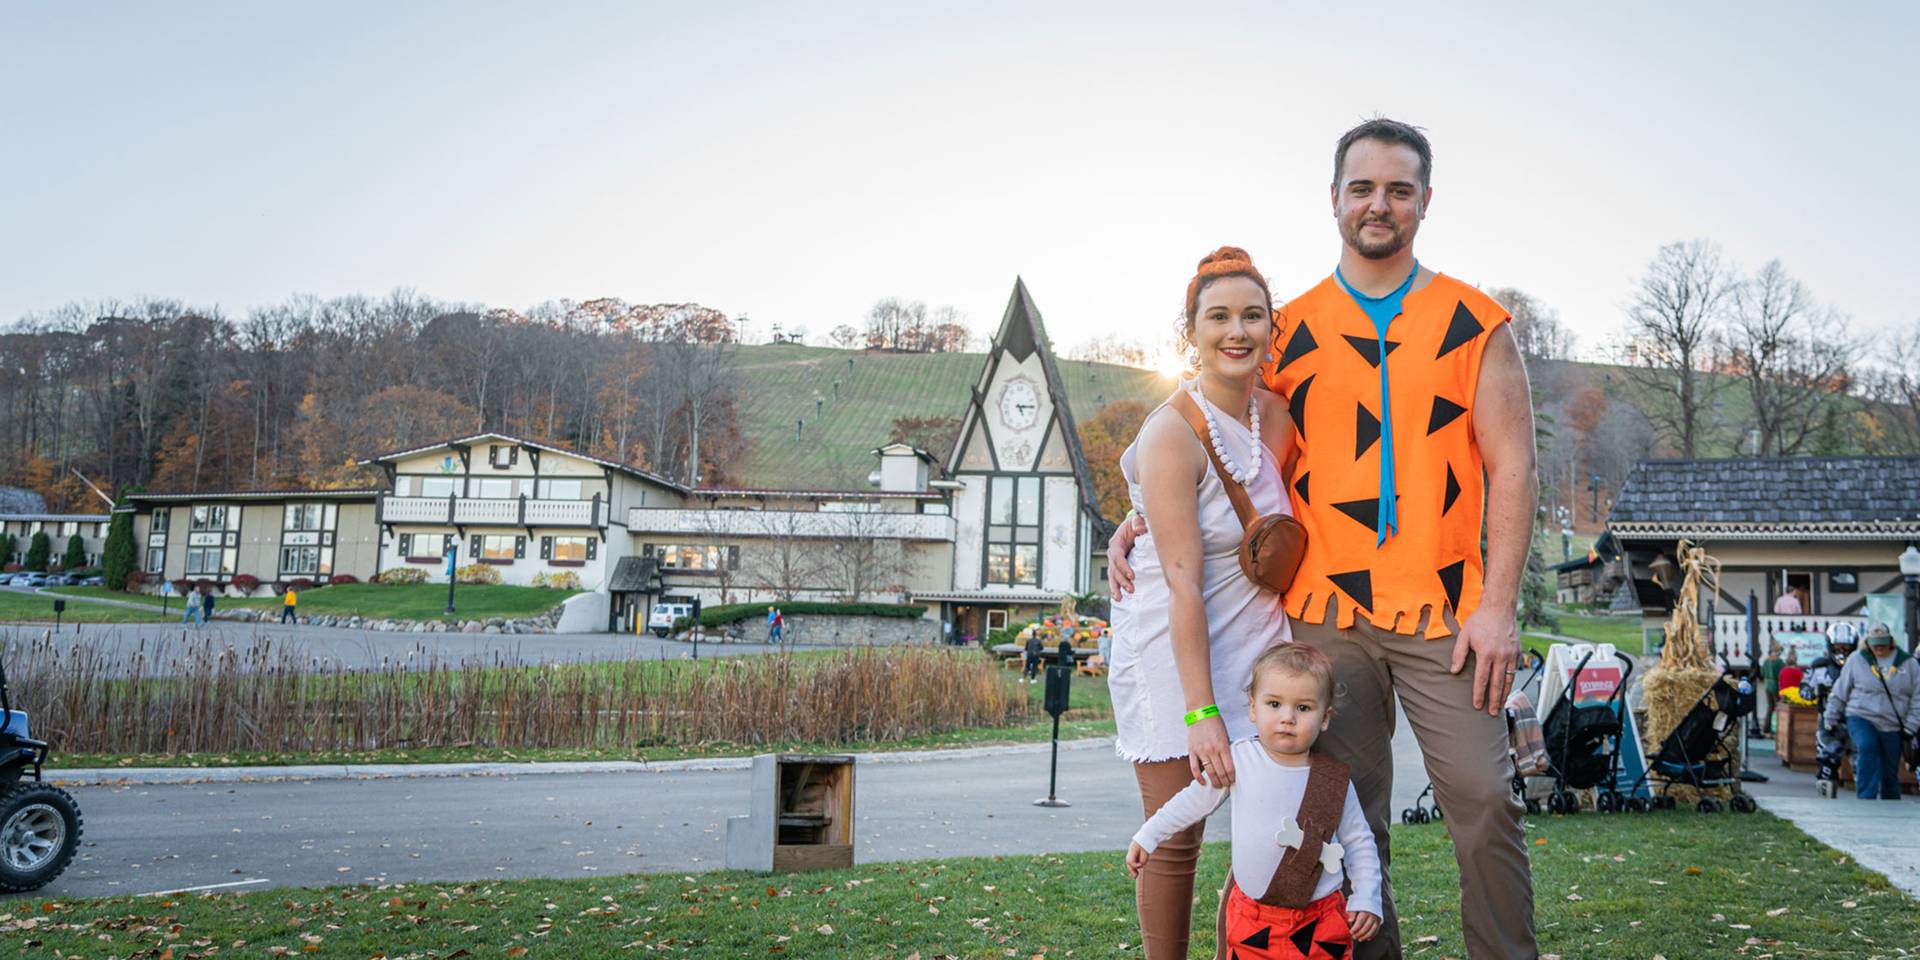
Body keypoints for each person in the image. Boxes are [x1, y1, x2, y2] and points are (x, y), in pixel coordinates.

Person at [1112, 119, 1538, 959]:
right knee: (1340, 818)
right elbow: (1233, 463)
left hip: (1446, 614)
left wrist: (1498, 606)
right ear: (1335, 198)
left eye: (1399, 189)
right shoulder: (1288, 333)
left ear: (1423, 201)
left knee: (1485, 799)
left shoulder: (1475, 322)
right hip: (1322, 618)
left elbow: (1516, 467)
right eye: (1363, 188)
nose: (1379, 205)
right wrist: (1139, 520)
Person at [1109, 246, 1296, 958]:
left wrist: (1128, 526)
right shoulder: (1171, 433)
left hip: (1257, 642)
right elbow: (1183, 580)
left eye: (1252, 315)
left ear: (1272, 328)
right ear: (1191, 331)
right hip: (1172, 647)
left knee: (1269, 820)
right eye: (1218, 317)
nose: (1236, 332)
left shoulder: (1274, 420)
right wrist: (1201, 712)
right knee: (1177, 832)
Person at [1129, 645, 1380, 956]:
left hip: (1320, 919)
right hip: (1253, 921)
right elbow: (1190, 802)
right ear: (1252, 708)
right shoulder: (1239, 760)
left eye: (1303, 708)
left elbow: (1360, 841)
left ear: (1325, 718)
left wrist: (1367, 897)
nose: (1287, 718)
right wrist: (1149, 835)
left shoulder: (1334, 780)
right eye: (1274, 704)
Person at [1822, 623, 1919, 800]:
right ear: (1868, 642)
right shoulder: (1857, 659)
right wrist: (1830, 717)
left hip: (1894, 722)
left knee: (1890, 769)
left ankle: (1891, 804)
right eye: (1875, 644)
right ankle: (1866, 799)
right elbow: (1840, 690)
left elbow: (1918, 698)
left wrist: (1912, 725)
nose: (1878, 648)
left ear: (1891, 642)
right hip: (1861, 715)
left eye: (1882, 643)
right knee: (1868, 746)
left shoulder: (1909, 663)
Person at [1759, 640, 1785, 736]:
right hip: (1776, 686)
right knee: (1779, 707)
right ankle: (1777, 727)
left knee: (1770, 707)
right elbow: (1782, 674)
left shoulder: (1766, 661)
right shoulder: (1779, 662)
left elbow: (1762, 674)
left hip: (1767, 685)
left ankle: (1766, 728)